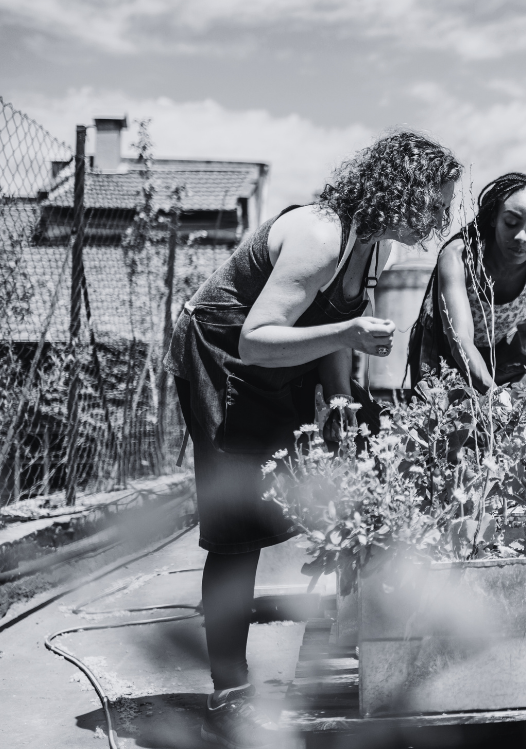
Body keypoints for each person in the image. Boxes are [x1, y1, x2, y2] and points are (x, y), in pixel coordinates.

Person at [166, 131, 461, 748]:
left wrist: (345, 406)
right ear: (398, 190)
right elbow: (256, 339)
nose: (439, 218)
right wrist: (351, 334)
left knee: (320, 493)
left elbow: (332, 333)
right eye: (433, 202)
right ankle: (230, 691)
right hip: (226, 361)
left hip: (279, 369)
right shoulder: (321, 237)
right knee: (237, 528)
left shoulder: (372, 248)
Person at [407, 172, 526, 409]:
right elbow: (461, 339)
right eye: (511, 223)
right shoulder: (459, 256)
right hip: (445, 350)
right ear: (493, 218)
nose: (522, 237)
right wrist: (494, 393)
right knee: (445, 423)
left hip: (500, 347)